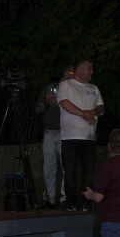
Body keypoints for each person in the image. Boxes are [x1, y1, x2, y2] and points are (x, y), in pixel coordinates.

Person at [58, 58, 104, 212]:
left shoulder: (94, 88)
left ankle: (86, 201)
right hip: (70, 137)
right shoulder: (66, 85)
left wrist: (92, 112)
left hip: (89, 137)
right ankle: (71, 201)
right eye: (89, 68)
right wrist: (83, 113)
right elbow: (64, 103)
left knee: (88, 172)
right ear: (80, 69)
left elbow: (101, 107)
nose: (92, 71)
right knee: (69, 171)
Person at [36, 65, 74, 207]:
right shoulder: (50, 87)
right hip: (49, 132)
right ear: (64, 72)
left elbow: (74, 110)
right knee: (48, 167)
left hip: (65, 133)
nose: (70, 75)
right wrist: (45, 102)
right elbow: (38, 108)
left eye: (73, 73)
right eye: (69, 72)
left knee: (66, 167)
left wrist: (57, 104)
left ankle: (65, 198)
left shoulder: (73, 90)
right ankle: (49, 199)